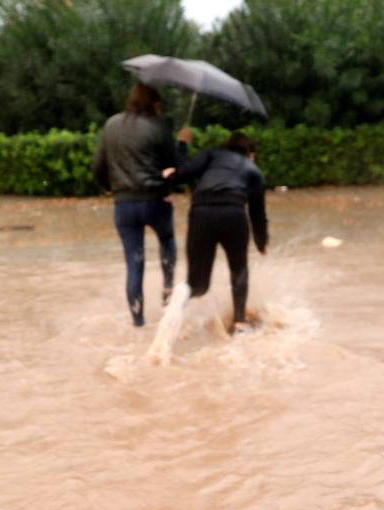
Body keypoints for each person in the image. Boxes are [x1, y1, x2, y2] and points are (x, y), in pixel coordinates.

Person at [92, 84, 187, 327]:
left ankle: (138, 321)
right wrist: (183, 144)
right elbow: (175, 166)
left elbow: (98, 166)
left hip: (124, 206)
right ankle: (167, 298)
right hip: (155, 201)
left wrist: (110, 188)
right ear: (153, 103)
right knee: (167, 244)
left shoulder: (111, 124)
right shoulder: (160, 126)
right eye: (159, 104)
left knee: (134, 264)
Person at [164, 132, 269, 334]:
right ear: (250, 153)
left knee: (198, 284)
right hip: (233, 213)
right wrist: (261, 241)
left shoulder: (211, 155)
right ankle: (239, 323)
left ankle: (179, 297)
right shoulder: (253, 169)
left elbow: (183, 174)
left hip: (201, 213)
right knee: (238, 269)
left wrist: (182, 146)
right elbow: (257, 212)